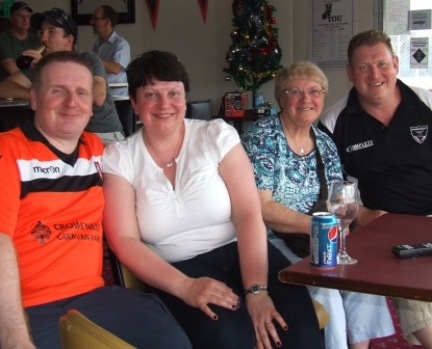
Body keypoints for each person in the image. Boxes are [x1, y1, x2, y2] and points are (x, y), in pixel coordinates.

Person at [102, 50, 325, 349]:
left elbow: (248, 213)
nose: (165, 103)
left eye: (173, 93)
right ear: (134, 103)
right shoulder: (120, 157)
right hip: (177, 268)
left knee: (297, 330)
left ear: (185, 96)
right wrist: (185, 287)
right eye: (151, 94)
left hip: (244, 251)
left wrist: (257, 291)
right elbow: (124, 240)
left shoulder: (215, 135)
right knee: (231, 337)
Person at [0, 51, 192, 349]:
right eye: (58, 91)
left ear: (92, 105)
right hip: (27, 305)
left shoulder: (102, 152)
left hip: (96, 296)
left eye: (81, 93)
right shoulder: (7, 151)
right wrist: (14, 337)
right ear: (35, 99)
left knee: (173, 342)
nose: (71, 102)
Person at [242, 61, 395, 349]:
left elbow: (339, 198)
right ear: (280, 97)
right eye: (295, 91)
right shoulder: (262, 137)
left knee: (362, 280)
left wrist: (368, 215)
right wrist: (317, 226)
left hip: (316, 238)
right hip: (268, 241)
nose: (305, 99)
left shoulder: (324, 142)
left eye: (314, 91)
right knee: (328, 293)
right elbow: (261, 207)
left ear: (323, 96)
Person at [319, 29, 432, 348]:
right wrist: (364, 214)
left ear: (396, 64)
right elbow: (330, 188)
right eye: (364, 67)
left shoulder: (426, 103)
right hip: (381, 228)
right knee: (416, 283)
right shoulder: (334, 121)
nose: (375, 74)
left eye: (382, 64)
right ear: (350, 73)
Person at [0, 7, 124, 144]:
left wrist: (55, 72)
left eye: (51, 32)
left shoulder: (88, 59)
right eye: (41, 32)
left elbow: (98, 96)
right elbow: (4, 88)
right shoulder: (43, 65)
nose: (43, 38)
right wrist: (38, 94)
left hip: (103, 136)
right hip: (64, 139)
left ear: (69, 41)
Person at [91, 5, 130, 97]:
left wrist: (91, 59)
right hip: (100, 94)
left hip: (117, 97)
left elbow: (115, 68)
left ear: (107, 22)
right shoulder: (97, 45)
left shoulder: (121, 44)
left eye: (96, 19)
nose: (91, 22)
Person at [0, 1, 39, 81]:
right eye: (20, 16)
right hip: (9, 87)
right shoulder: (3, 38)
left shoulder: (37, 39)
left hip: (32, 85)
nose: (25, 19)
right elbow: (12, 70)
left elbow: (44, 65)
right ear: (11, 18)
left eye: (27, 16)